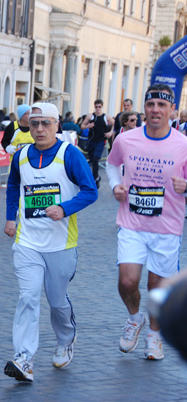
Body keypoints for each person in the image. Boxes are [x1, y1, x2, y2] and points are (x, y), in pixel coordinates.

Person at [3, 102, 97, 383]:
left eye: (46, 123)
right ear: (27, 126)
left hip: (61, 245)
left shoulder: (70, 154)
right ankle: (24, 358)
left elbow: (90, 191)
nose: (40, 129)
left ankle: (66, 339)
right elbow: (12, 187)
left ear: (57, 125)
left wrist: (65, 208)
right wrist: (10, 218)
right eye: (34, 124)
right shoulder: (20, 156)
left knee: (57, 302)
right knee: (28, 298)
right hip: (28, 242)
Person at [105, 83, 187, 361]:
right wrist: (116, 186)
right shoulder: (126, 139)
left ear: (171, 109)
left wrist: (185, 186)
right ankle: (134, 318)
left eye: (162, 105)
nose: (155, 110)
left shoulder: (183, 144)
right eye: (151, 104)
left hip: (167, 227)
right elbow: (112, 164)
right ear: (144, 108)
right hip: (132, 223)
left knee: (156, 286)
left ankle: (154, 336)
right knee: (127, 282)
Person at [80, 99, 114, 188]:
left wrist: (110, 132)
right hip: (91, 141)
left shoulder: (106, 117)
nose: (98, 109)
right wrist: (88, 126)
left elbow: (115, 124)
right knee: (92, 160)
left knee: (96, 158)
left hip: (101, 141)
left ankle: (94, 179)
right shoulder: (90, 116)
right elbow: (82, 126)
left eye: (99, 107)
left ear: (102, 107)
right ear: (94, 107)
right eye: (96, 107)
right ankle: (97, 177)